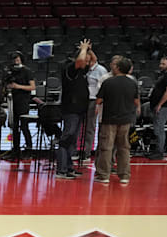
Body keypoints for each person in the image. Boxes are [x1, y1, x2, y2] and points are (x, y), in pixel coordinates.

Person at [94, 57, 139, 186]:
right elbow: (136, 101)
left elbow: (99, 100)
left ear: (118, 68)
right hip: (126, 119)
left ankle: (104, 175)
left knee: (106, 147)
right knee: (124, 148)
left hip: (109, 119)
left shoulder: (108, 82)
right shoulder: (132, 83)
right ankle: (124, 175)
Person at [56, 39, 90, 179]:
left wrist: (88, 49)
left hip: (79, 109)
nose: (87, 63)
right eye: (85, 60)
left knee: (73, 140)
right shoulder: (70, 68)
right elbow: (80, 61)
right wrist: (83, 49)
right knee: (67, 138)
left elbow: (93, 61)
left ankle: (69, 167)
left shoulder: (81, 70)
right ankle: (61, 169)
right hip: (71, 110)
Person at [6, 51, 35, 162]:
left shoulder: (27, 71)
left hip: (23, 101)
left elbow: (32, 87)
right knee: (14, 127)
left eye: (17, 59)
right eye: (14, 59)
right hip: (12, 101)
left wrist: (18, 86)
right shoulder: (10, 71)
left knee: (24, 126)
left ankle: (29, 149)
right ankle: (15, 150)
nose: (16, 61)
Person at [147, 56, 167, 160]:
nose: (161, 66)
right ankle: (157, 150)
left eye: (163, 64)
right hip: (158, 106)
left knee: (159, 129)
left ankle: (159, 152)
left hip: (163, 106)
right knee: (157, 128)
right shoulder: (163, 75)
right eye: (160, 63)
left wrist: (160, 104)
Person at [84, 51, 108, 159]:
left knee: (91, 127)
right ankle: (82, 150)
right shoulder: (85, 69)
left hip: (95, 100)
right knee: (85, 127)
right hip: (85, 100)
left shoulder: (101, 70)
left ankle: (88, 152)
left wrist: (99, 103)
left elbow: (104, 87)